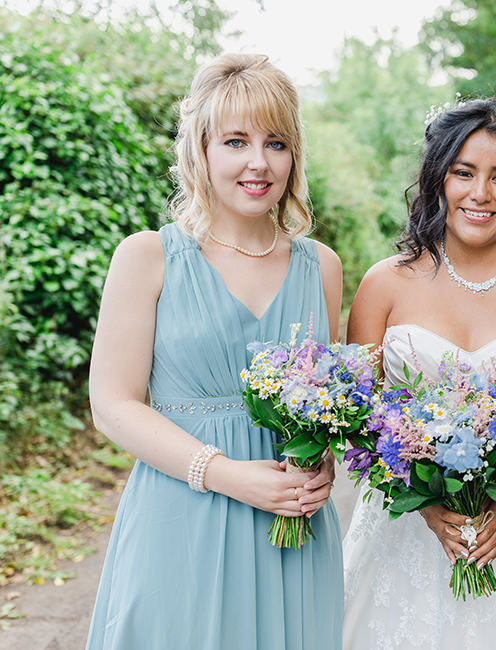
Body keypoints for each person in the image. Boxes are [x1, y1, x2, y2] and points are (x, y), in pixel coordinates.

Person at [86, 53, 343, 650]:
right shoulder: (148, 257)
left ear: (294, 156)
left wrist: (322, 462)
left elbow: (325, 404)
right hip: (181, 516)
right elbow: (113, 404)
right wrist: (224, 474)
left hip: (292, 528)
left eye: (276, 143)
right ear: (201, 150)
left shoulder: (321, 267)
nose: (258, 162)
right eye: (235, 141)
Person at [342, 98, 496, 649]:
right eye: (464, 173)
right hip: (405, 534)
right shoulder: (384, 285)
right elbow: (356, 420)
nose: (481, 193)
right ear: (438, 181)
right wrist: (425, 500)